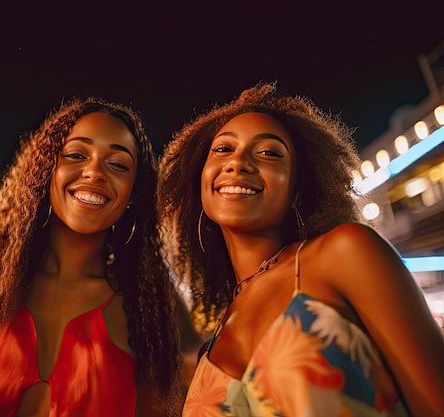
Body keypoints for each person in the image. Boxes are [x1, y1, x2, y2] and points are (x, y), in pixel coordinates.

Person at [158, 82, 444, 417]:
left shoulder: (344, 252)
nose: (238, 163)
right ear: (201, 182)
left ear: (297, 190)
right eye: (222, 149)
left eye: (269, 152)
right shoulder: (217, 333)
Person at [0, 97, 185, 416]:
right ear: (47, 170)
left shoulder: (145, 310)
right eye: (76, 155)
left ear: (134, 192)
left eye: (118, 164)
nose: (94, 172)